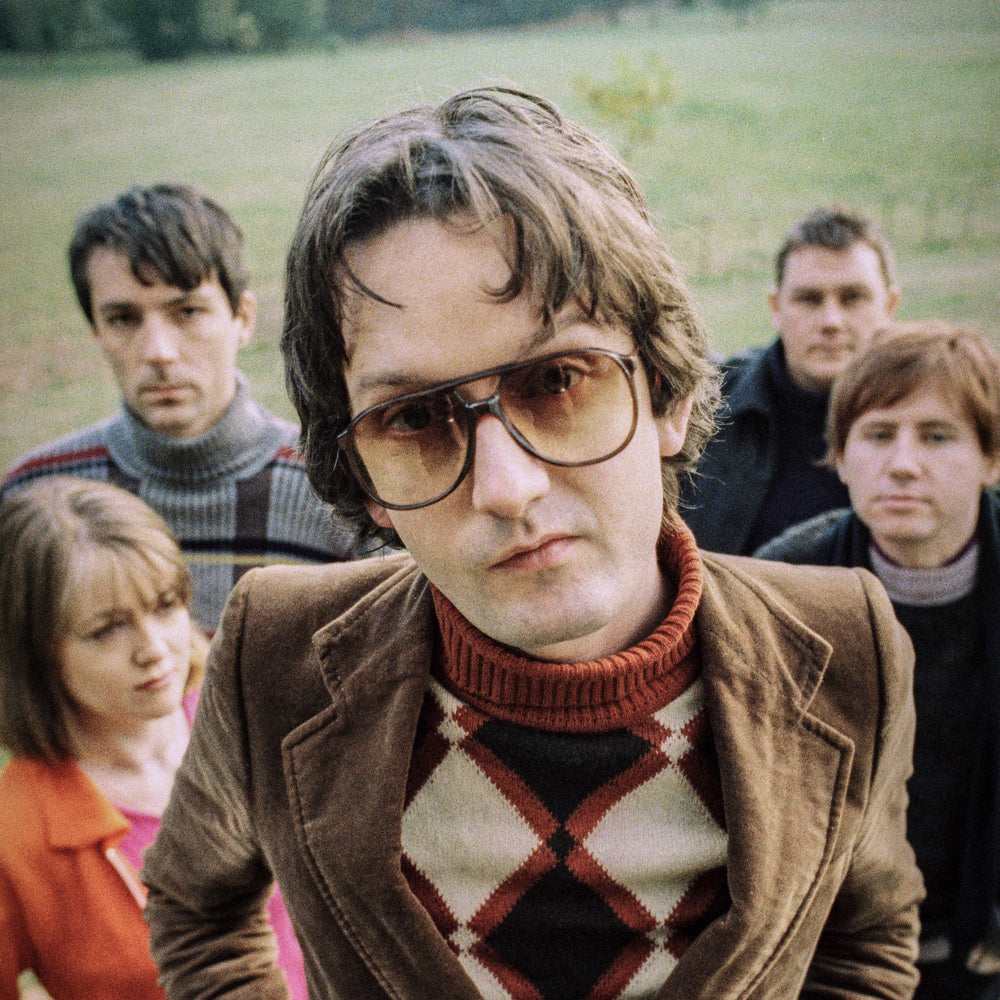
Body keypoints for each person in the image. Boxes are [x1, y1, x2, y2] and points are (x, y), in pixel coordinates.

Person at [142, 87, 923, 999]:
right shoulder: (275, 657)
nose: (509, 488)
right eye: (414, 418)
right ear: (362, 480)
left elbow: (867, 934)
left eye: (558, 379)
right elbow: (196, 905)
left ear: (667, 391)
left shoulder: (847, 649)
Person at [756, 321, 1000, 1000]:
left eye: (938, 436)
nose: (902, 463)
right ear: (839, 455)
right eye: (877, 434)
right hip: (832, 963)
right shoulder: (784, 584)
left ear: (992, 457)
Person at [0, 183, 363, 632]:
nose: (159, 352)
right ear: (96, 330)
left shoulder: (338, 493)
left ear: (242, 319)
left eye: (187, 312)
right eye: (123, 319)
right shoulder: (35, 499)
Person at [0, 477, 307, 1000]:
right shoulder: (17, 835)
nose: (153, 648)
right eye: (106, 629)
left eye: (165, 605)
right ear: (33, 651)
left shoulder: (262, 711)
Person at [680, 205, 901, 555]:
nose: (831, 321)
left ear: (889, 306)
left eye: (852, 298)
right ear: (776, 306)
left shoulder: (936, 418)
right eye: (808, 299)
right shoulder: (704, 411)